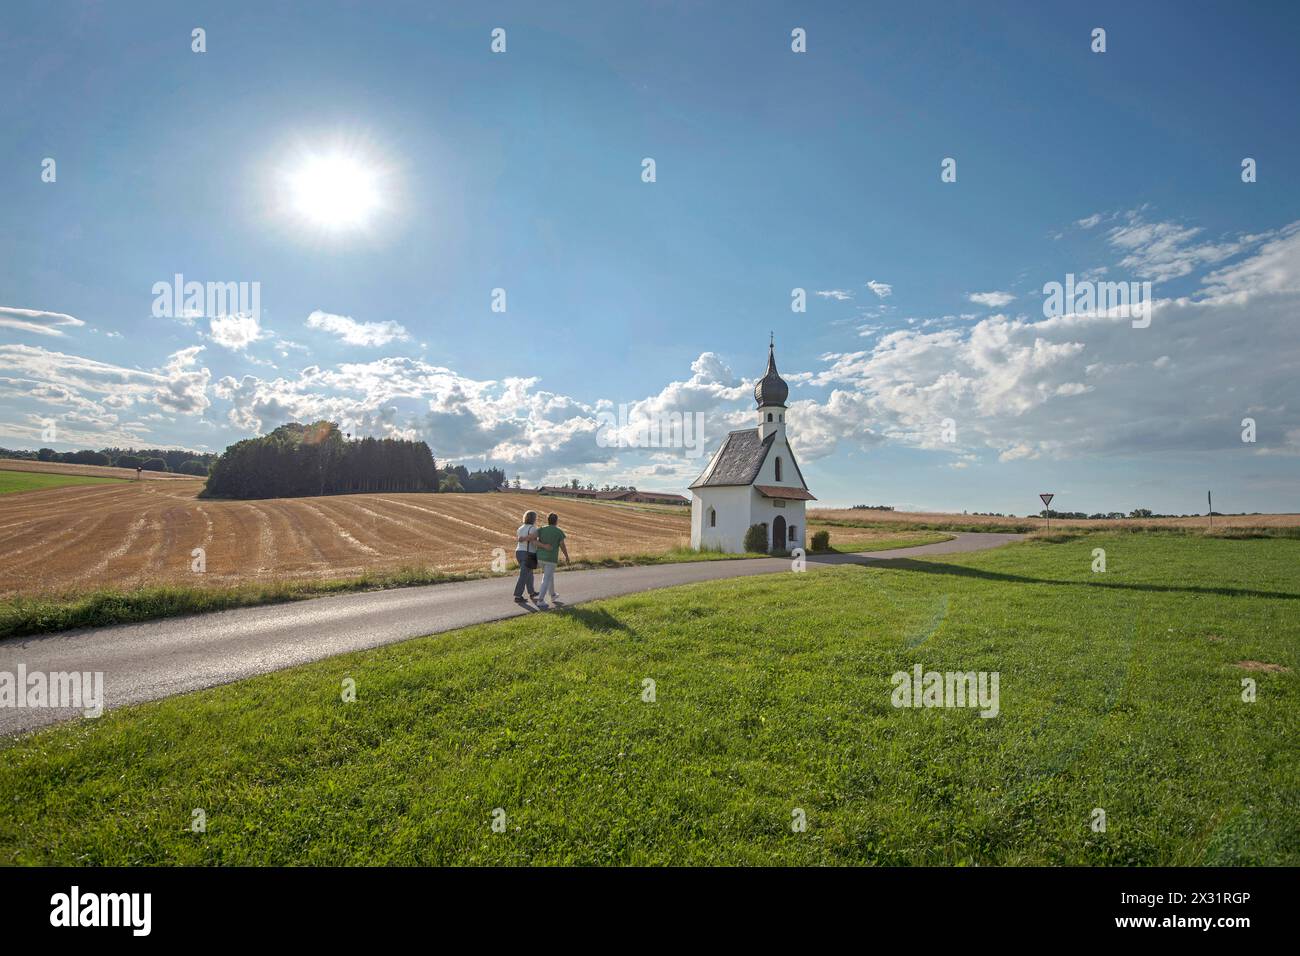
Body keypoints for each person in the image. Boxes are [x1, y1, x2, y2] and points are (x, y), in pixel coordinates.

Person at [533, 512, 570, 609]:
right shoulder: (559, 532)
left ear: (548, 520)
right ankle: (540, 600)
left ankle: (553, 595)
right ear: (556, 521)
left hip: (540, 557)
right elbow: (562, 545)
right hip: (551, 559)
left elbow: (533, 539)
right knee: (546, 578)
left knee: (549, 576)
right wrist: (566, 556)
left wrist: (542, 545)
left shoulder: (541, 529)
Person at [513, 511, 540, 603]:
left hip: (519, 552)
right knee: (524, 575)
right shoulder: (533, 529)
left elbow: (520, 539)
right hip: (528, 553)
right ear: (533, 519)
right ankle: (518, 596)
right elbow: (533, 542)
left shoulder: (520, 528)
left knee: (529, 573)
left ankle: (532, 592)